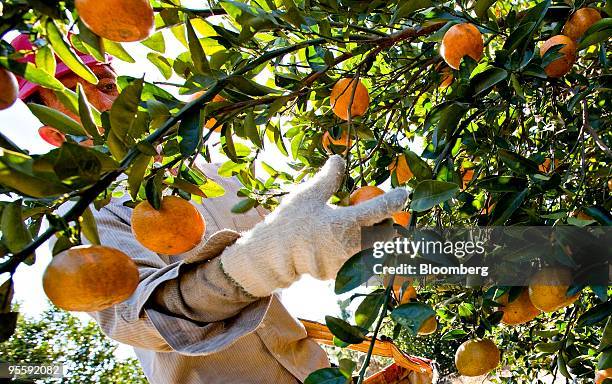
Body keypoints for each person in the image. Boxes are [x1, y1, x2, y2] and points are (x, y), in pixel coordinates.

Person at [12, 34, 412, 383]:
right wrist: (259, 264)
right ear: (53, 133)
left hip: (315, 373)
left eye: (106, 84)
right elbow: (146, 321)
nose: (107, 101)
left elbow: (305, 229)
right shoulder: (91, 222)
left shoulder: (214, 178)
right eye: (81, 96)